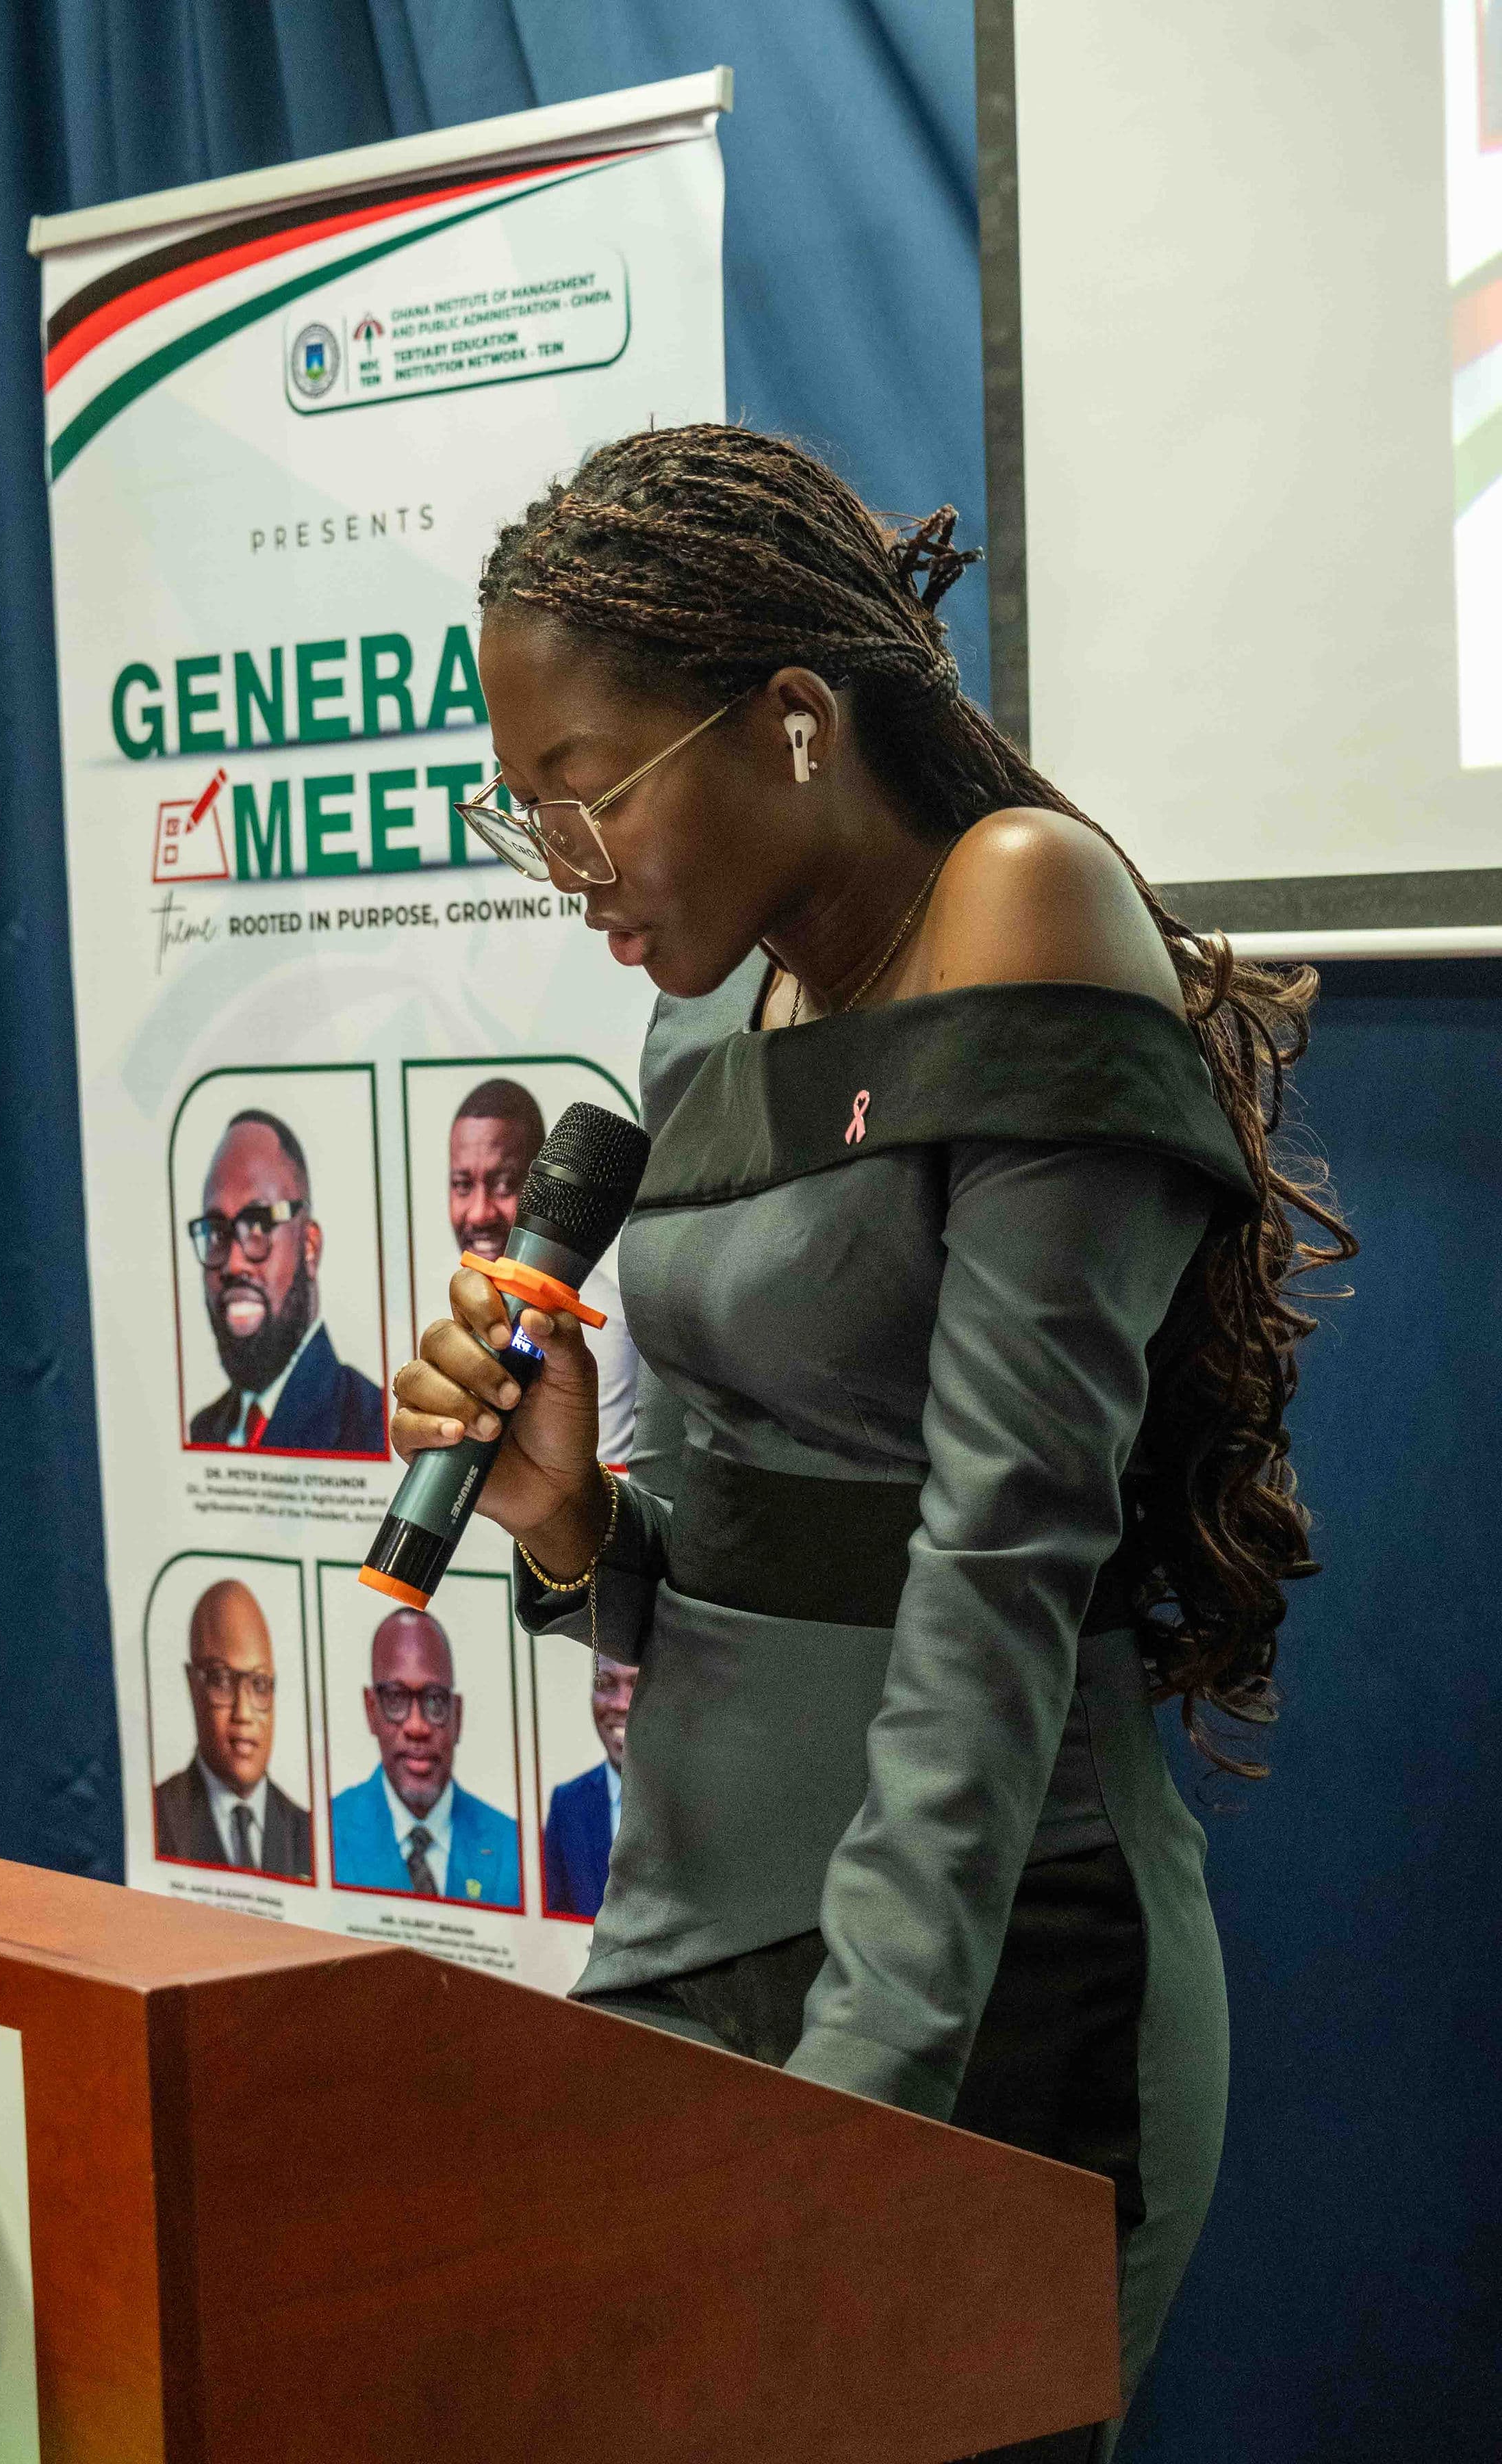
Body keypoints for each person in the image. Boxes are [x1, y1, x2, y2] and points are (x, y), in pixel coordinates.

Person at [387, 426, 1355, 2459]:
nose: (567, 864)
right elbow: (771, 1524)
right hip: (688, 1937)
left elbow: (993, 1573)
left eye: (589, 789)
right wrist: (572, 1530)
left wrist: (850, 2121)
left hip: (973, 1975)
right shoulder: (701, 1015)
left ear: (793, 718)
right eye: (524, 809)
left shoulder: (1020, 900)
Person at [446, 1075, 638, 1465]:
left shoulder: (603, 1329)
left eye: (504, 1185)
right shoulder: (464, 1296)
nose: (479, 1214)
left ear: (539, 1189)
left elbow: (606, 1488)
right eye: (463, 1185)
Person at [186, 1107, 385, 1454]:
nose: (233, 1263)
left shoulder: (373, 1427)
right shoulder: (204, 1429)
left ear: (309, 1246)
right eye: (217, 1233)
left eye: (259, 1225)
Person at [329, 1606, 520, 1906]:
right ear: (371, 1710)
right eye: (395, 1697)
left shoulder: (514, 1848)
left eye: (435, 1700)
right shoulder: (326, 1833)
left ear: (458, 1716)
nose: (417, 1726)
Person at [155, 1578, 312, 1879]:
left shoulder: (310, 1837)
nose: (243, 1713)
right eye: (222, 1680)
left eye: (259, 1685)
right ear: (193, 1686)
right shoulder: (156, 1820)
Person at [542, 1652, 638, 1918]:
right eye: (605, 1684)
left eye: (638, 1685)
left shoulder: (698, 1802)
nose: (621, 1704)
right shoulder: (568, 1804)